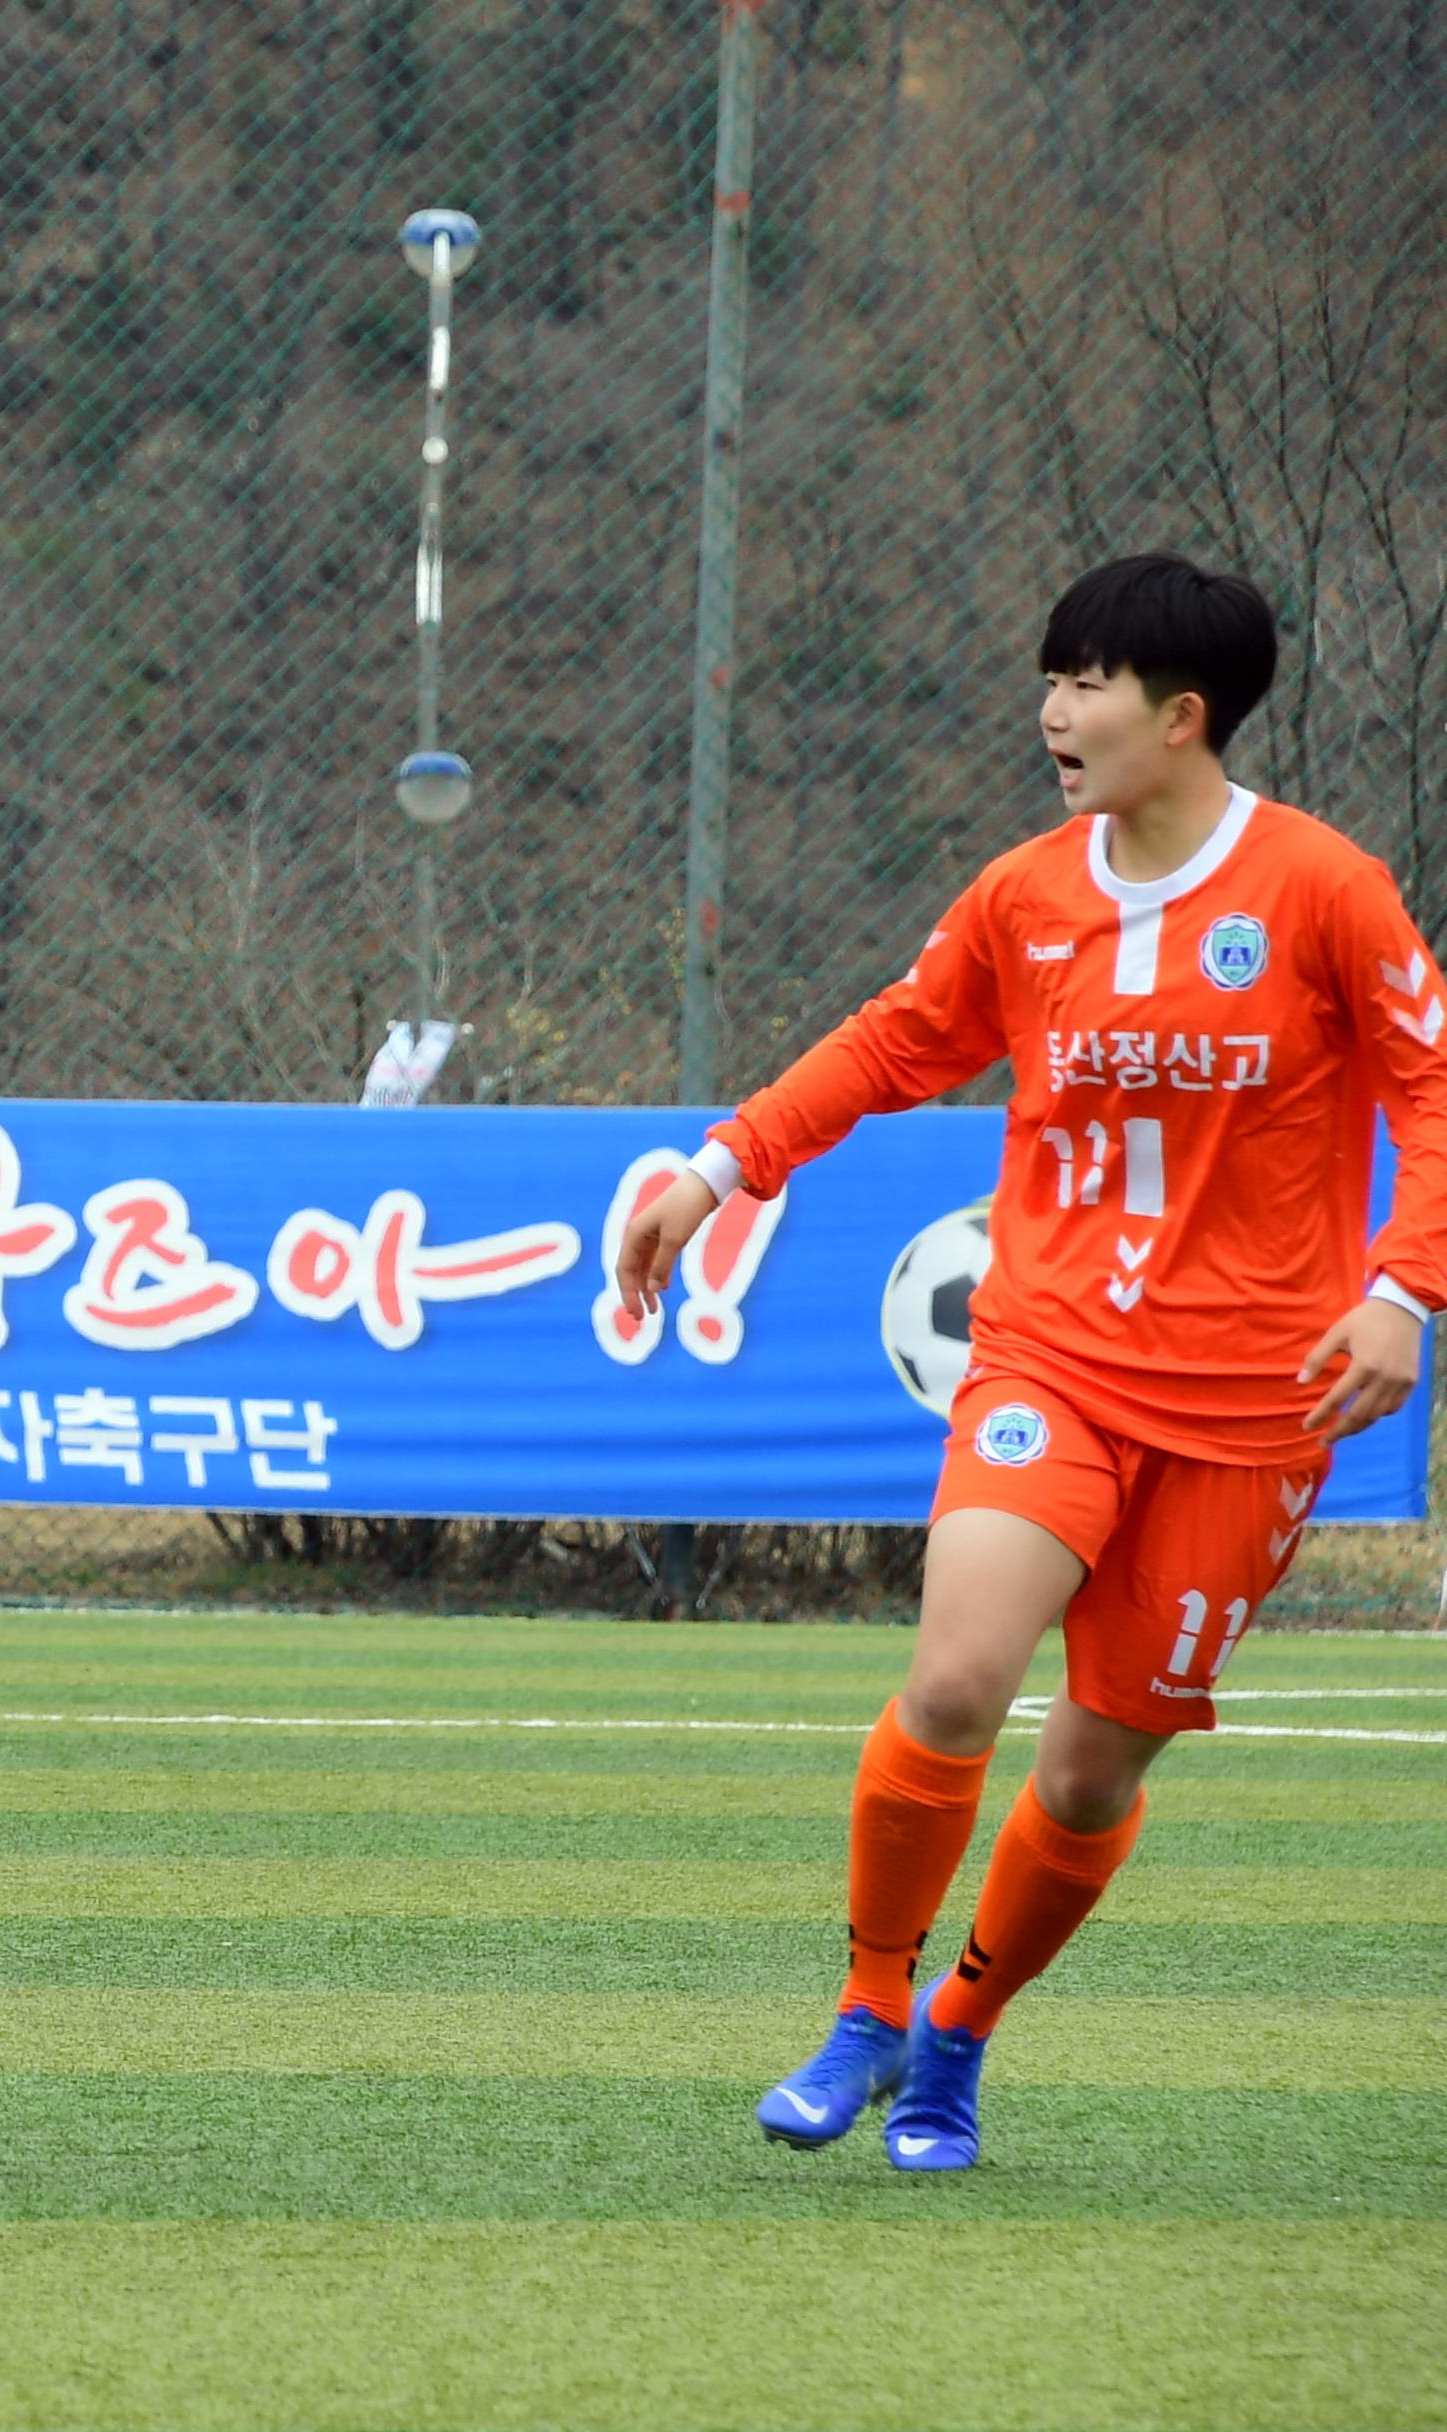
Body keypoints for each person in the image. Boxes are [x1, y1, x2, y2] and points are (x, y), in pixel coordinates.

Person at [612, 554, 1447, 2171]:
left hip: (1252, 1409)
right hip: (1047, 1351)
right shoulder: (1022, 895)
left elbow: (1426, 1087)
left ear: (1180, 716)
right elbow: (885, 1044)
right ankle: (864, 2008)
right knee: (953, 1677)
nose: (1051, 714)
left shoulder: (1320, 890)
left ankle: (954, 2040)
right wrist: (715, 1170)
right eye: (1048, 678)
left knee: (1082, 1768)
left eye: (1084, 683)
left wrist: (1402, 1289)